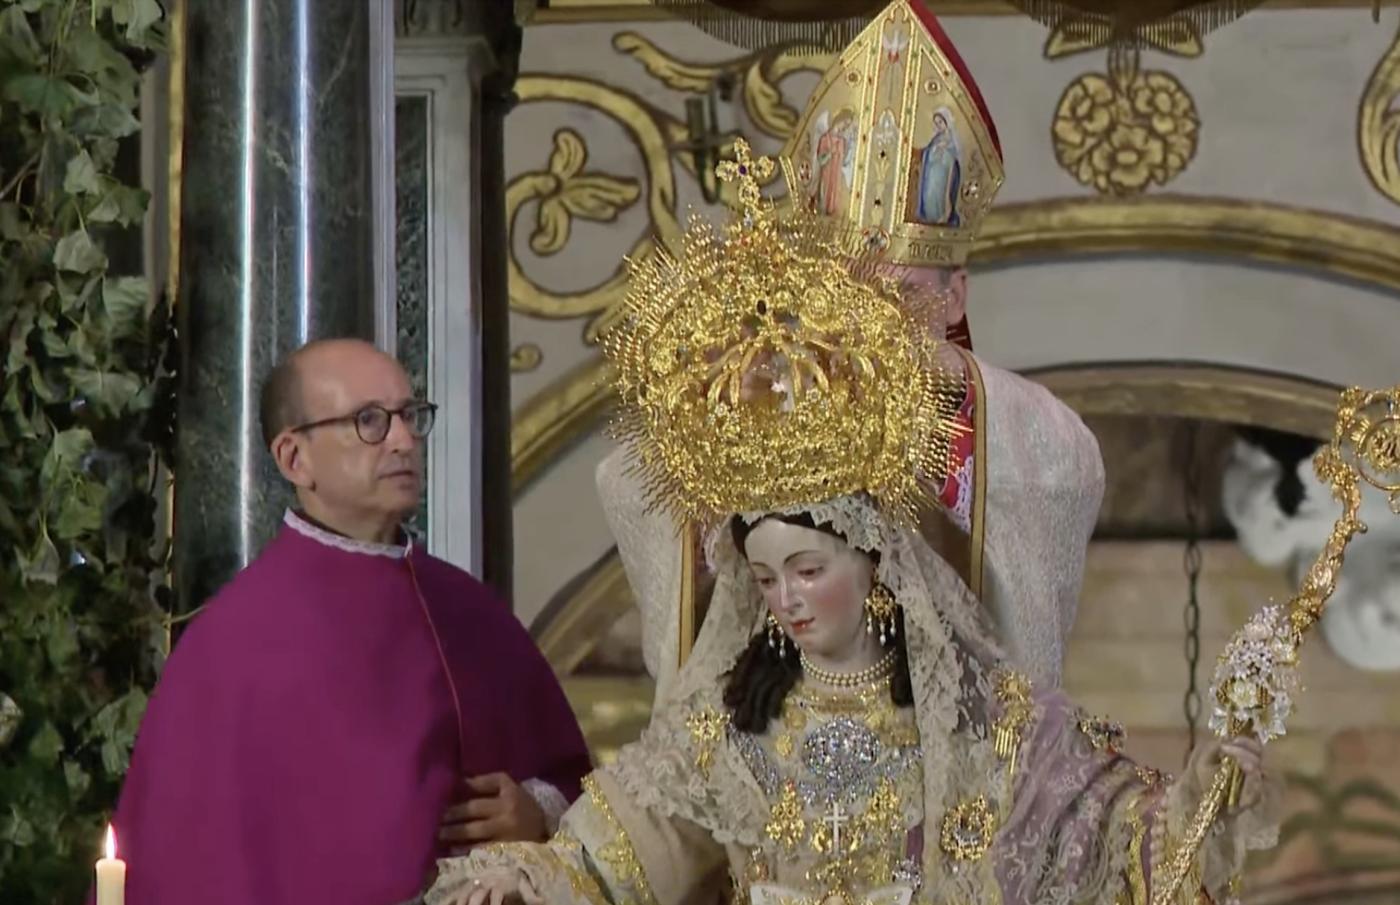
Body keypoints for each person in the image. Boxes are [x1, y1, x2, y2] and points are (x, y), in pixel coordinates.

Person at [425, 140, 1276, 905]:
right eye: (765, 578)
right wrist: (527, 878)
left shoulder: (982, 718)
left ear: (876, 564)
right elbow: (616, 854)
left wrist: (1200, 803)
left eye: (808, 569)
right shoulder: (729, 725)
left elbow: (1115, 837)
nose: (787, 600)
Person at [598, 0, 1103, 705]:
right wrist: (714, 411)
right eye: (847, 297)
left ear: (955, 295)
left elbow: (1053, 490)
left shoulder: (1015, 430)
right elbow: (634, 479)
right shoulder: (770, 395)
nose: (871, 325)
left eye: (898, 298)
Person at [106, 339, 591, 905]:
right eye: (370, 421)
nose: (404, 440)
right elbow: (183, 860)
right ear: (295, 459)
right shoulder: (230, 645)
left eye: (410, 416)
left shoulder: (468, 609)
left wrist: (536, 811)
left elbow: (571, 781)